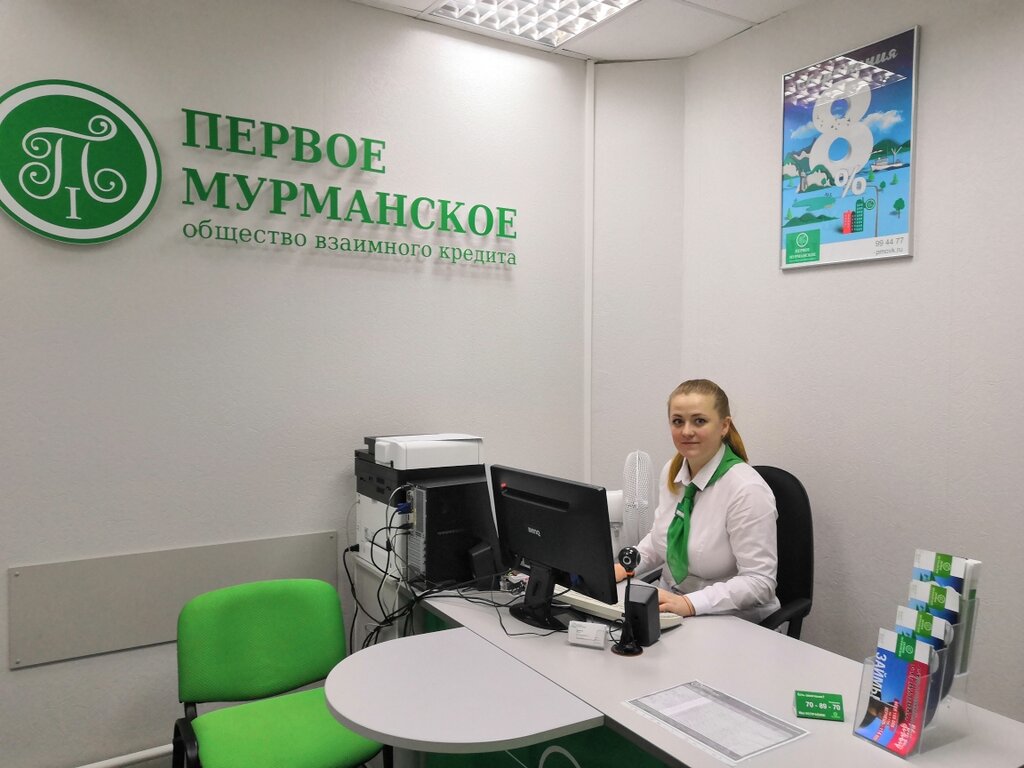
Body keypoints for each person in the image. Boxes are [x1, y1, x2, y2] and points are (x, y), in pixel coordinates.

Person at [614, 379, 780, 622]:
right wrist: (625, 566)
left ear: (724, 426)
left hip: (730, 617)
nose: (686, 431)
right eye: (677, 421)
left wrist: (690, 603)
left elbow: (760, 582)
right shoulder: (672, 471)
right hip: (671, 604)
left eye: (699, 421)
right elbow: (662, 538)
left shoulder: (747, 490)